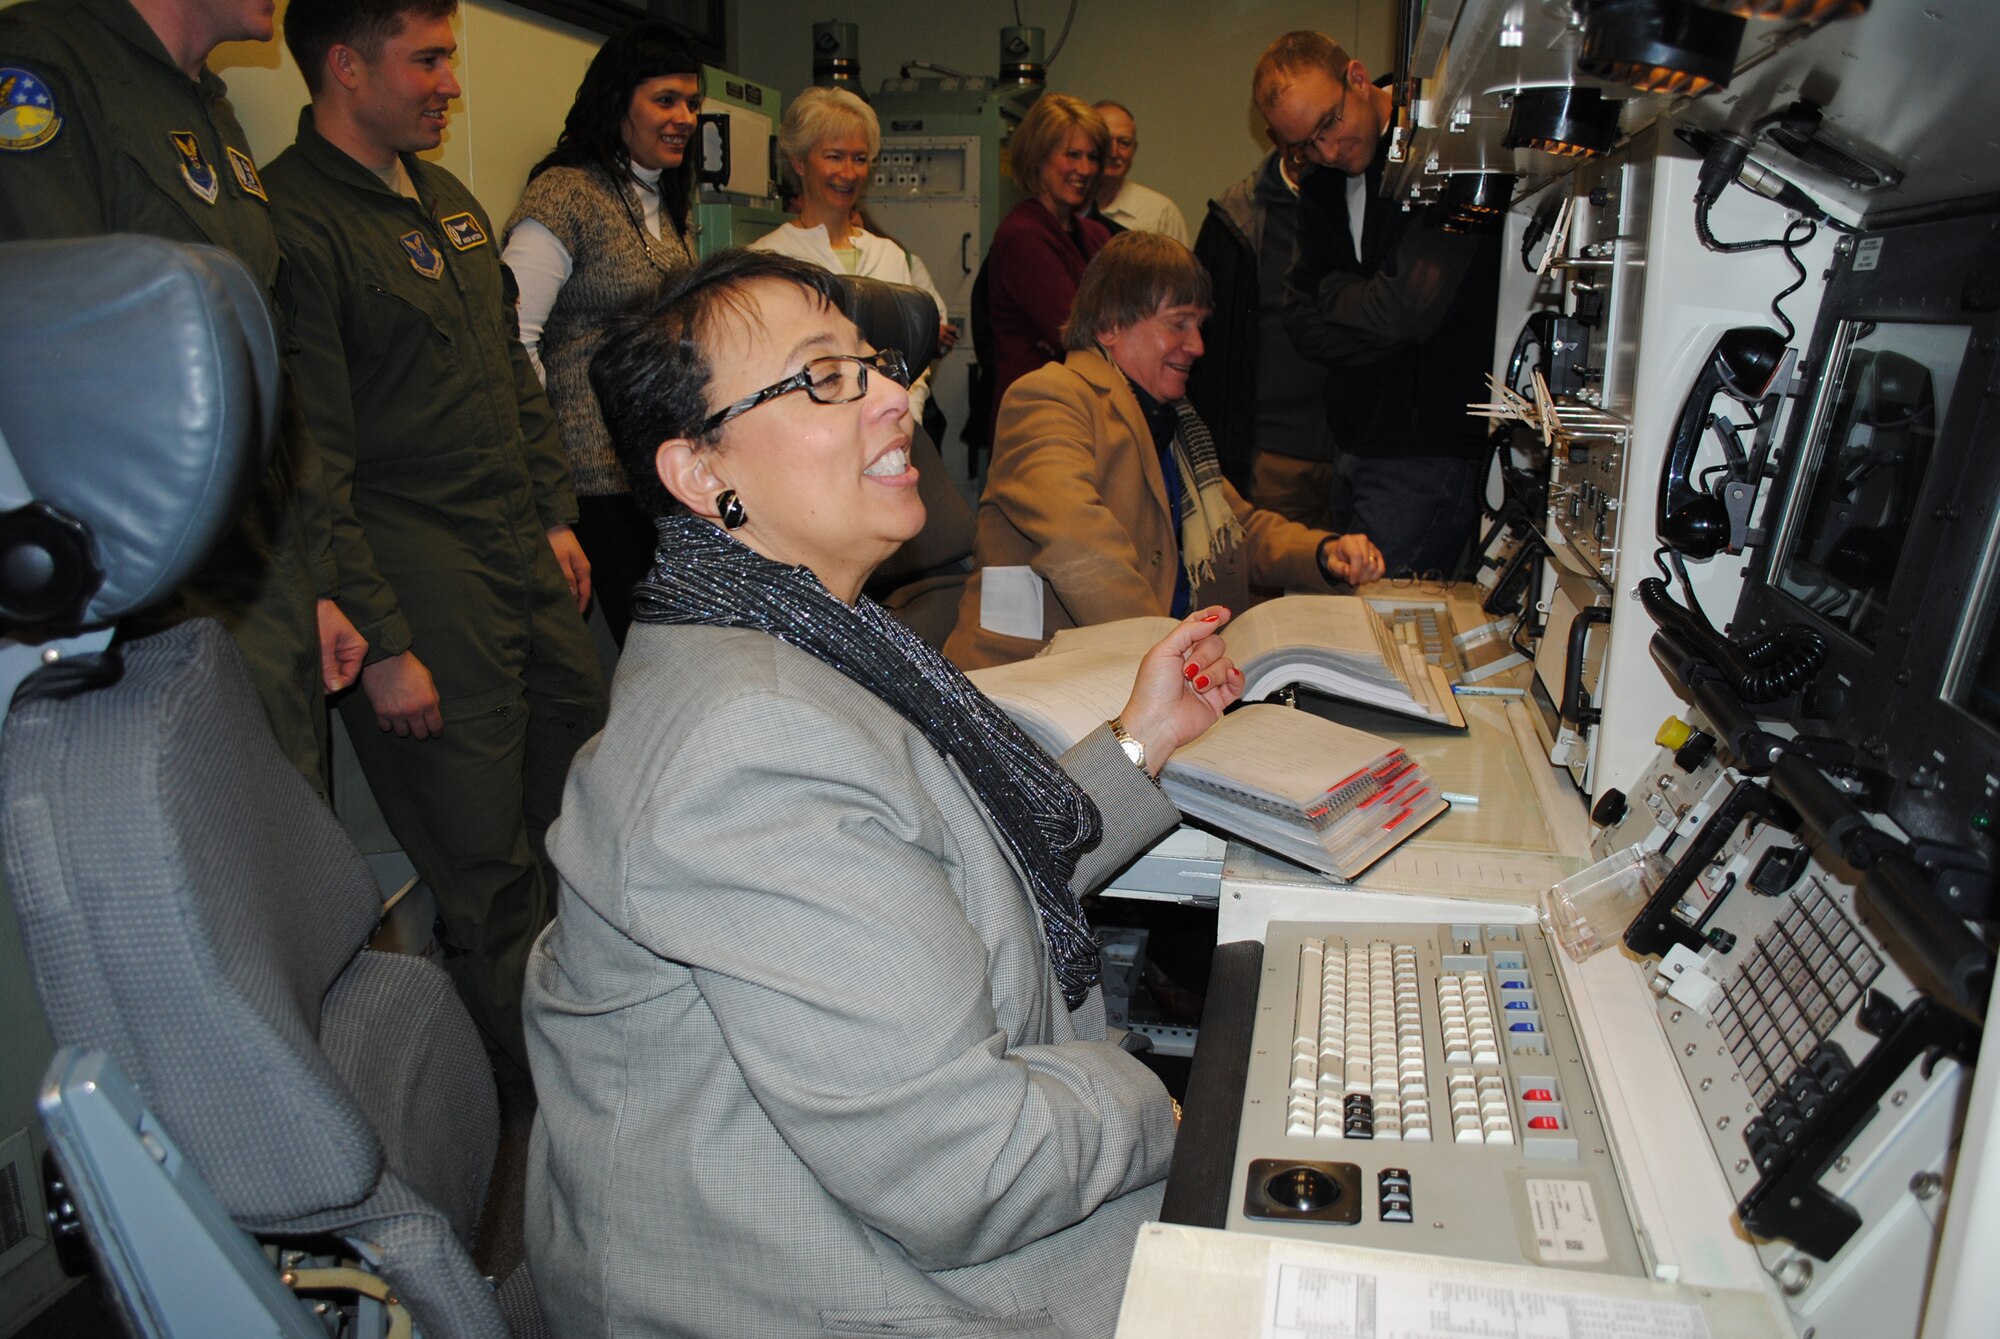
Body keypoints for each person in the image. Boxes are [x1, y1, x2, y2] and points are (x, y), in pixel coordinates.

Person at [526, 247, 1237, 1337]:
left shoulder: (807, 639)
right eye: (823, 380)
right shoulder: (749, 737)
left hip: (859, 1211)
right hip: (822, 1280)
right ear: (698, 471)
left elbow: (945, 860)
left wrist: (1138, 744)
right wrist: (1172, 1101)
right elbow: (968, 1166)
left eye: (874, 366)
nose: (895, 400)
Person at [266, 0, 608, 1067]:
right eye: (428, 59)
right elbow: (307, 448)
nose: (451, 82)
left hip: (518, 547)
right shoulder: (293, 220)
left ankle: (608, 1047)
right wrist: (385, 640)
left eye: (450, 55)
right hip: (417, 565)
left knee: (593, 799)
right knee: (485, 863)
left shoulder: (451, 204)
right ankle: (535, 1114)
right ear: (345, 69)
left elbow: (515, 375)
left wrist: (553, 511)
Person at [0, 0, 368, 795]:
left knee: (291, 848)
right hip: (148, 588)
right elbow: (53, 363)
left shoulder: (208, 108)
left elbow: (268, 363)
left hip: (259, 568)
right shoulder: (45, 67)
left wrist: (315, 580)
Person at [945, 231, 1384, 671]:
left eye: (1199, 325)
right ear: (1109, 325)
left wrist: (1324, 553)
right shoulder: (1050, 396)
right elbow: (1078, 544)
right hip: (1030, 684)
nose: (1197, 346)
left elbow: (1237, 529)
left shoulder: (1169, 420)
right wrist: (1173, 658)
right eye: (1179, 324)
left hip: (1124, 672)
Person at [1256, 30, 1501, 577]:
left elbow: (1405, 311)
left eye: (1329, 125)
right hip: (1350, 441)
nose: (1326, 151)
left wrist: (1342, 298)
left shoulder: (1444, 146)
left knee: (1379, 625)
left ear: (1359, 79)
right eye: (1303, 146)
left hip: (1426, 448)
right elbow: (1300, 319)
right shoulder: (1321, 179)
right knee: (1360, 627)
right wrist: (1385, 325)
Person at [502, 23, 700, 647]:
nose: (685, 118)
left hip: (653, 465)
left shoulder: (664, 202)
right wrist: (546, 456)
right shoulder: (565, 193)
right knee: (651, 642)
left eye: (692, 103)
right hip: (591, 473)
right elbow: (512, 334)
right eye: (665, 100)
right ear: (618, 101)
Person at [750, 84, 954, 423]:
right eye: (834, 156)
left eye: (859, 158)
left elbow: (912, 363)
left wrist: (904, 419)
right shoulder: (768, 259)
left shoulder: (889, 256)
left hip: (890, 424)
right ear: (799, 162)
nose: (848, 173)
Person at [1188, 145, 1340, 527]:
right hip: (1273, 453)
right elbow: (1211, 349)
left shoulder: (1357, 198)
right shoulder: (1236, 219)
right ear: (1276, 134)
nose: (1318, 146)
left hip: (1357, 455)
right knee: (1270, 572)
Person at [980, 92, 1112, 443]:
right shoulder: (1022, 236)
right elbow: (1076, 334)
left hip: (1080, 417)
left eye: (1092, 157)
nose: (1084, 170)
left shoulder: (1094, 234)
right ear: (1038, 157)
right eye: (1072, 155)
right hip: (1036, 423)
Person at [1090, 100, 1190, 243]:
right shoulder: (1066, 204)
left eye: (1124, 143)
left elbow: (1180, 266)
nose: (1113, 152)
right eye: (1105, 140)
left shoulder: (1161, 214)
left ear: (1134, 150)